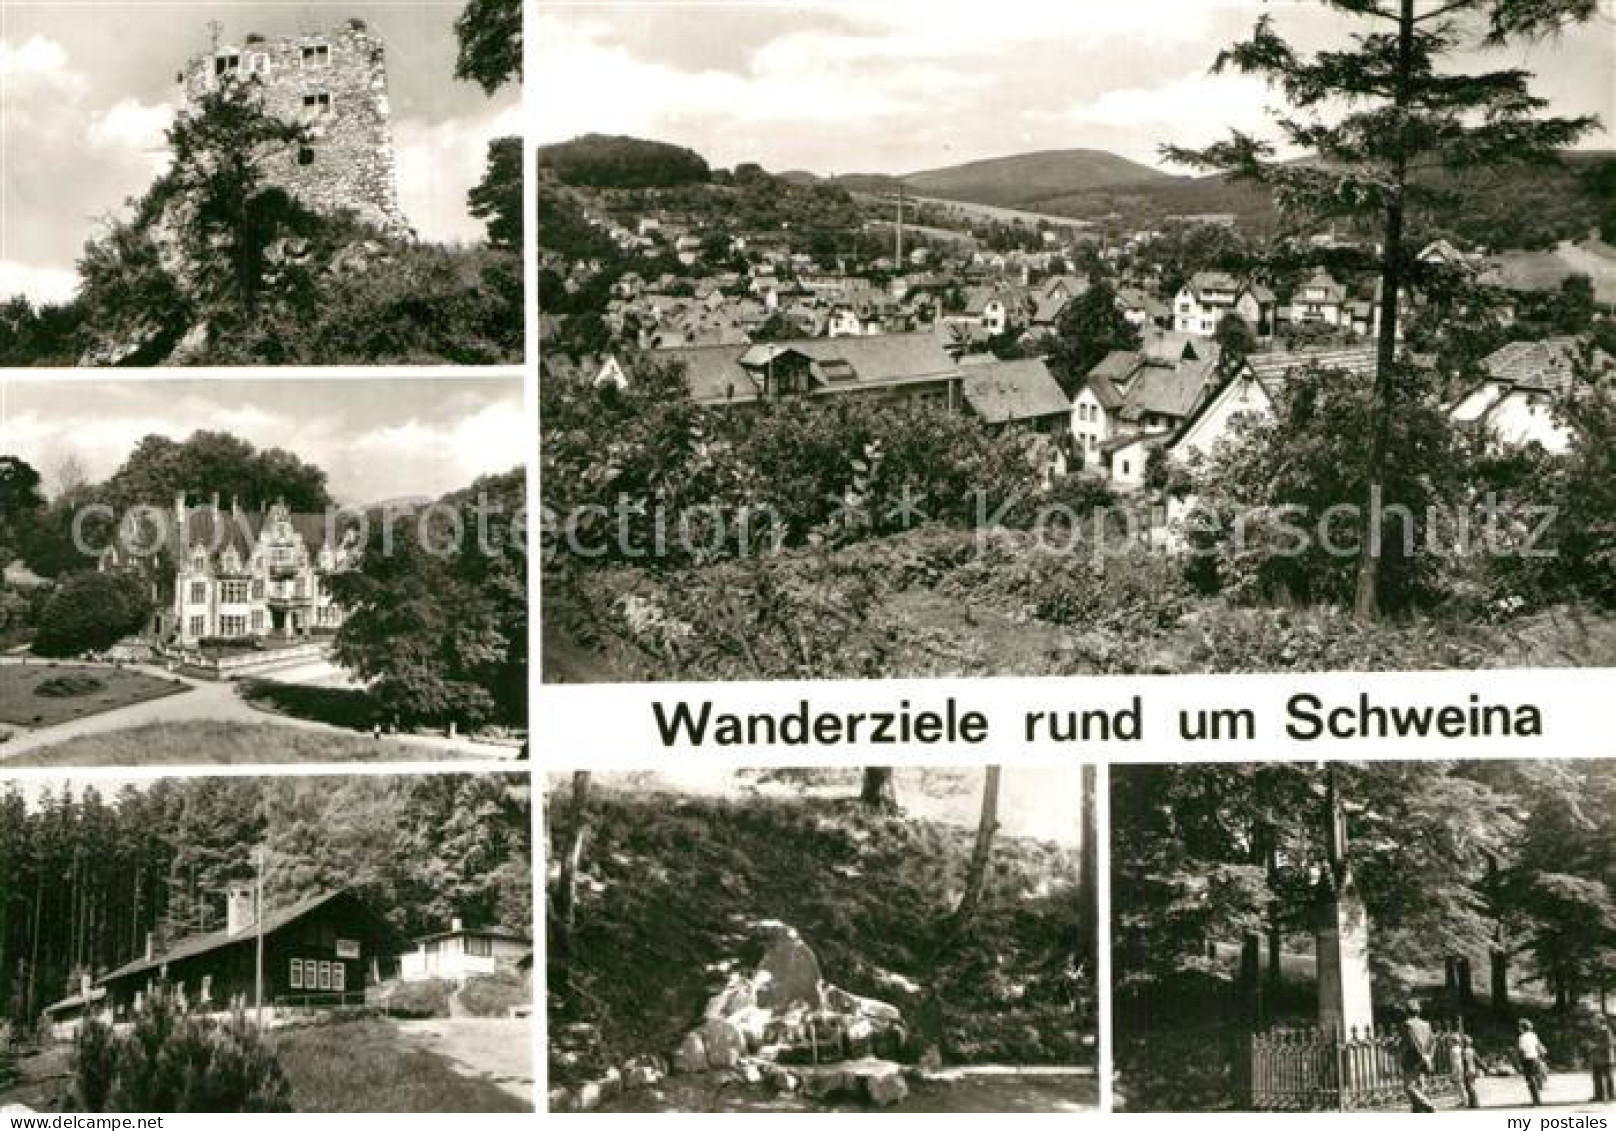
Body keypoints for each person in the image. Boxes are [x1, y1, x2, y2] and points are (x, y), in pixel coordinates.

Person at [1401, 1000, 1437, 1113]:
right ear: (1419, 1011)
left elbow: (1412, 1042)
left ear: (1406, 1011)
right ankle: (1419, 1110)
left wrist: (1421, 1056)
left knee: (1409, 1087)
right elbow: (1433, 1041)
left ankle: (1427, 1104)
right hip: (1424, 1059)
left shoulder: (1407, 1024)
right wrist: (1429, 1057)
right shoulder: (1426, 1024)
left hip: (1411, 1059)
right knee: (1420, 1086)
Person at [1517, 1019, 1549, 1106]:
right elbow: (1538, 1047)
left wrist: (1520, 1062)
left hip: (1527, 1059)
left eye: (1519, 1026)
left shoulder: (1522, 1038)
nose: (1518, 1028)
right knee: (1534, 1079)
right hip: (1535, 1058)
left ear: (1522, 1028)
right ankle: (1537, 1100)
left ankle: (1536, 1101)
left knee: (1530, 1080)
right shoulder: (1533, 1035)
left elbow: (1522, 1051)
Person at [1591, 1015, 1615, 1104]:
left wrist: (1595, 1046)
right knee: (1596, 1077)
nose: (1593, 1022)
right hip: (1597, 1058)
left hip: (1606, 1058)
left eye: (1594, 1020)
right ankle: (1599, 1096)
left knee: (1608, 1077)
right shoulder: (1596, 1030)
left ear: (1600, 1021)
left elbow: (1610, 1043)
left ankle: (1611, 1096)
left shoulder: (1606, 1030)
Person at [1461, 1034, 1482, 1109]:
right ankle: (1472, 1102)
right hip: (1473, 1070)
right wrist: (1483, 1068)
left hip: (1468, 1070)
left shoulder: (1464, 1051)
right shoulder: (1472, 1050)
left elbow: (1465, 1062)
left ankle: (1475, 1103)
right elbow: (1477, 1060)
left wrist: (1465, 1071)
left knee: (1469, 1087)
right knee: (1472, 1086)